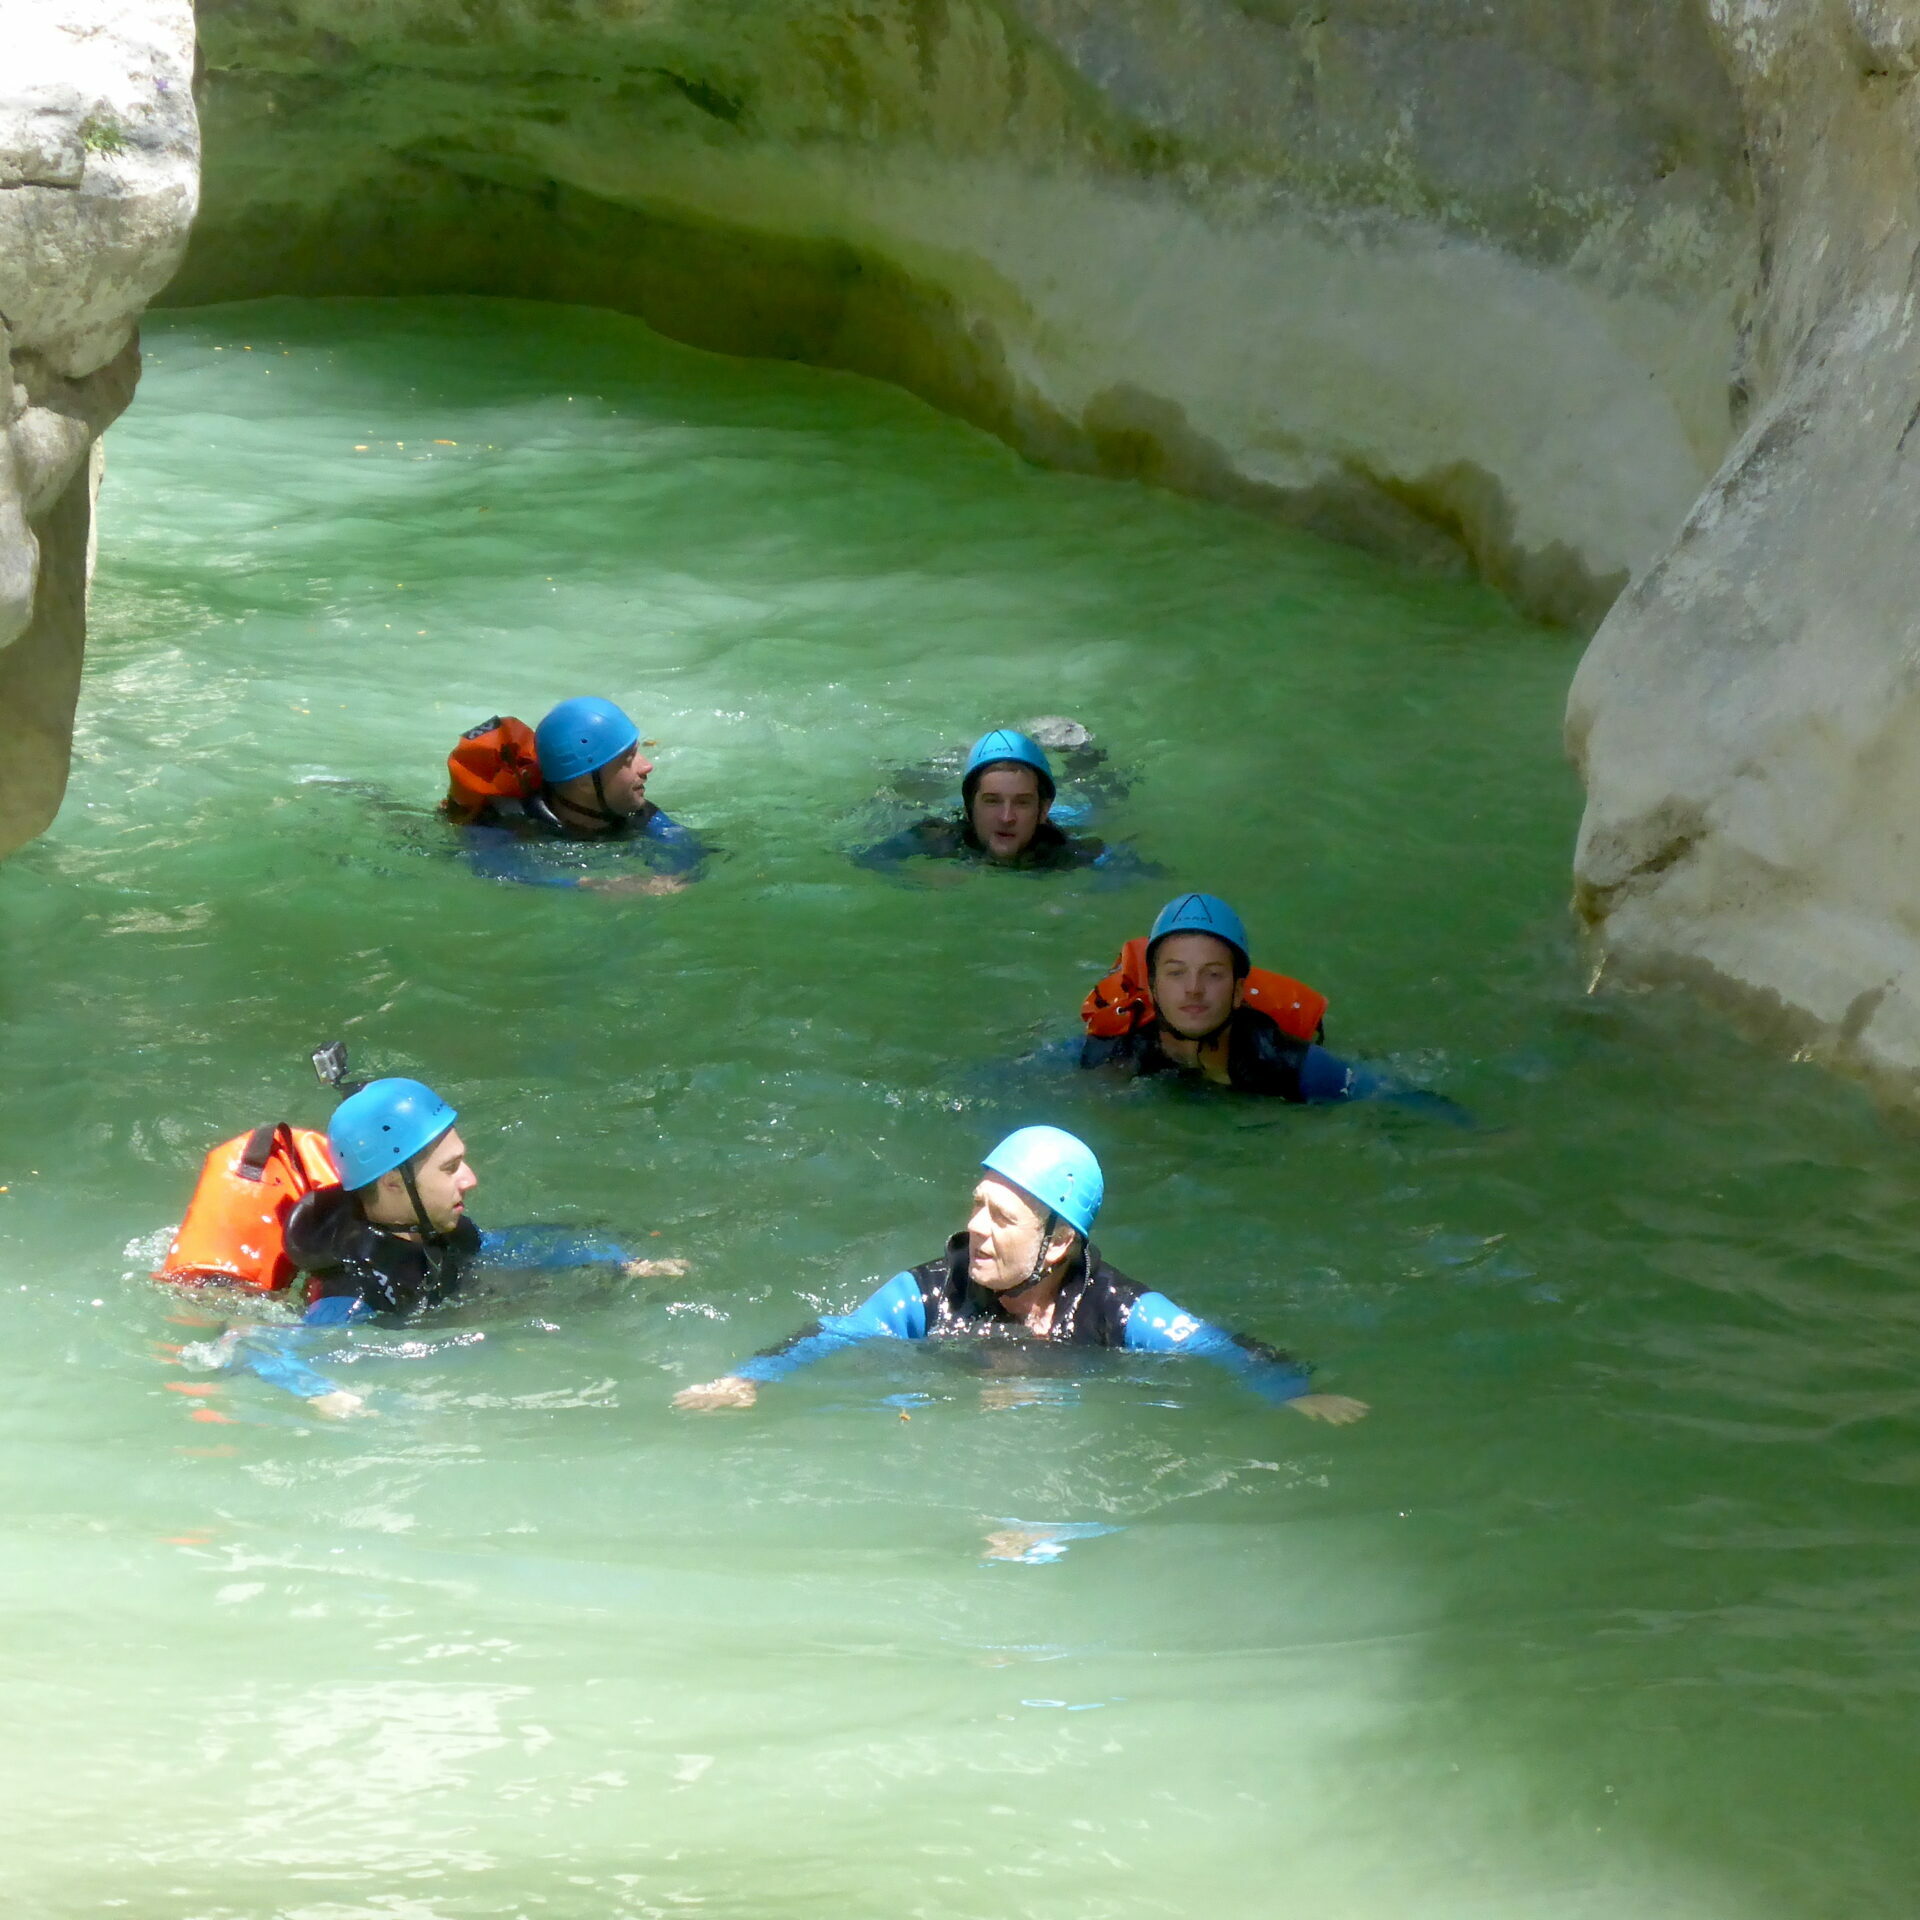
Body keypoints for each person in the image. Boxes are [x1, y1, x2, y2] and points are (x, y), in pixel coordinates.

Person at [672, 1126, 1366, 1421]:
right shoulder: (927, 1294)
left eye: (1002, 1219)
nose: (975, 1228)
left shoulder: (1118, 1312)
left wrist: (1293, 1392)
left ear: (1060, 1242)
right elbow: (833, 1334)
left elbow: (1217, 1346)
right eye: (977, 1206)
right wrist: (750, 1378)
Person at [212, 1077, 684, 1417]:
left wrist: (620, 1263)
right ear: (395, 1184)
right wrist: (321, 1393)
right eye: (450, 1167)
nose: (470, 1178)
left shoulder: (437, 1229)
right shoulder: (353, 1289)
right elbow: (254, 1347)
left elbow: (502, 1248)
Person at [1079, 893, 1368, 1102]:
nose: (1194, 988)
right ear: (1153, 987)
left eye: (1213, 974)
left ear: (1238, 991)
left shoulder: (1291, 1066)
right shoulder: (1112, 1053)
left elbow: (1392, 1098)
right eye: (1176, 973)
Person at [450, 697, 712, 893]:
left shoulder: (633, 811)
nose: (647, 766)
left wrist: (670, 878)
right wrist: (588, 886)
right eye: (628, 759)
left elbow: (683, 845)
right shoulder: (507, 822)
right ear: (586, 782)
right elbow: (496, 870)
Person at [854, 729, 1125, 874]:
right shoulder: (938, 837)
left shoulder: (1067, 851)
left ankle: (1080, 748)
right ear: (969, 808)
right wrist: (921, 880)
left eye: (1022, 802)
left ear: (1043, 810)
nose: (1006, 817)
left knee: (1097, 803)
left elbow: (1132, 873)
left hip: (1071, 812)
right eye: (992, 801)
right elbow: (864, 859)